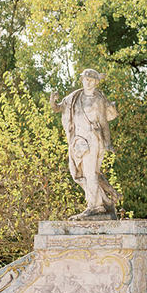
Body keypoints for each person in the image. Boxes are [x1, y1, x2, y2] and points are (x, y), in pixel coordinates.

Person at [49, 69, 120, 220]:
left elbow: (103, 122)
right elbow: (58, 108)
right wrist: (52, 101)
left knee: (89, 173)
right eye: (85, 79)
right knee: (77, 174)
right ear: (82, 80)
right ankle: (104, 203)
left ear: (96, 82)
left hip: (92, 139)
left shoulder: (98, 99)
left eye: (91, 80)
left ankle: (94, 207)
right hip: (78, 141)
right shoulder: (74, 97)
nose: (87, 82)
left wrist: (108, 143)